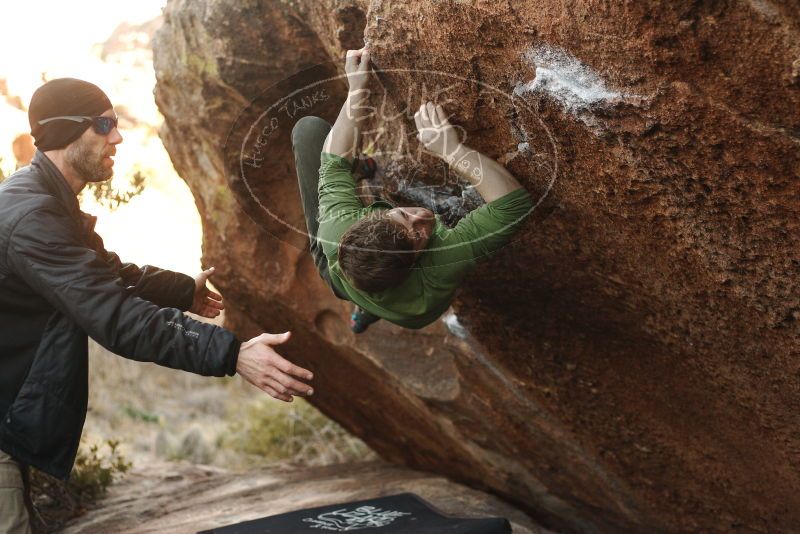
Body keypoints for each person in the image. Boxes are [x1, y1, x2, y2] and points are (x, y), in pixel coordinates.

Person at [0, 78, 315, 534]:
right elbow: (115, 317)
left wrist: (181, 290)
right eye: (104, 124)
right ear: (66, 131)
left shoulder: (44, 201)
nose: (118, 137)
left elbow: (109, 275)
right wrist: (233, 353)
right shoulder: (33, 217)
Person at [291, 48, 533, 333]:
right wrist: (452, 150)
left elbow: (333, 160)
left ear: (367, 217)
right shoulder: (438, 267)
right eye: (418, 235)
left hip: (346, 278)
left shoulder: (336, 226)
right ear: (415, 263)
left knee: (308, 131)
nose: (423, 217)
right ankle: (367, 311)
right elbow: (514, 206)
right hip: (412, 311)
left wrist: (357, 89)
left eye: (404, 214)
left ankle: (365, 306)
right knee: (372, 293)